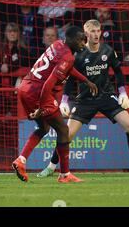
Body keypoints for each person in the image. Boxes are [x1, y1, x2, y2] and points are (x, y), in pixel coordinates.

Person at [37, 20, 129, 178]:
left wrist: (122, 92)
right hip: (85, 99)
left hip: (106, 96)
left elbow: (118, 72)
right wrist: (64, 100)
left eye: (98, 31)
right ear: (85, 34)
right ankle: (51, 167)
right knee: (67, 134)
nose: (96, 34)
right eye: (92, 31)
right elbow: (70, 79)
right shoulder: (78, 54)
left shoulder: (108, 50)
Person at [12, 25, 98, 183]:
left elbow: (66, 69)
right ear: (71, 39)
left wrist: (86, 80)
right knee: (63, 130)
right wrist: (41, 107)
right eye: (80, 40)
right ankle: (64, 175)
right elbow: (49, 84)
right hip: (38, 91)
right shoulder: (68, 56)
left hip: (26, 87)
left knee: (44, 128)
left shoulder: (58, 44)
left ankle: (21, 160)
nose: (82, 44)